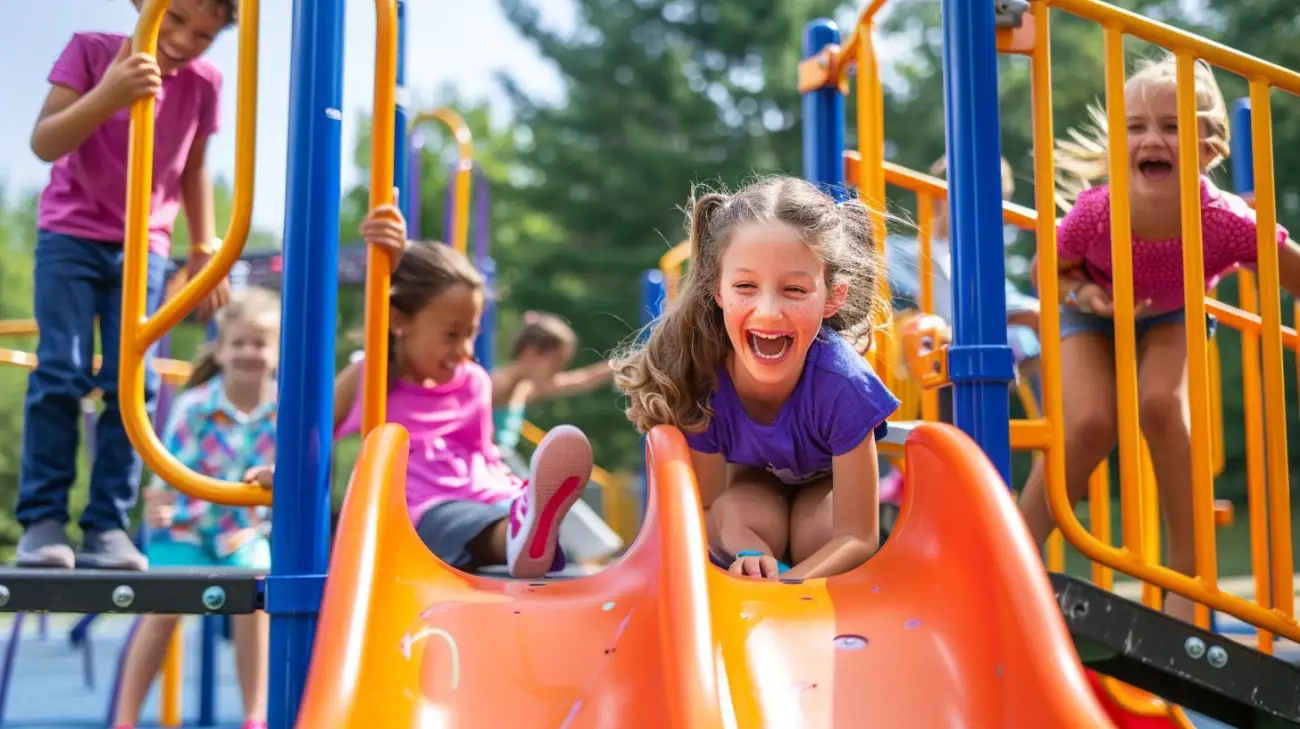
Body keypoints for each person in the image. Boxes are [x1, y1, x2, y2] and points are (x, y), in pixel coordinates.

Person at [1016, 54, 1300, 623]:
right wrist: (1090, 297)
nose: (1153, 138)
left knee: (1161, 403)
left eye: (1172, 127)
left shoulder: (1222, 221)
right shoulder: (1098, 212)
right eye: (1137, 126)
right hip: (1093, 311)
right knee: (1091, 422)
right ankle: (1014, 548)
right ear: (1120, 142)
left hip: (1173, 315)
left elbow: (1286, 267)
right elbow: (1049, 270)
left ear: (1208, 148)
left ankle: (1186, 579)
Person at [255, 206, 595, 578]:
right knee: (455, 523)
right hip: (416, 511)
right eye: (452, 334)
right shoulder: (372, 378)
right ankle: (519, 534)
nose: (465, 348)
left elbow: (482, 453)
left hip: (482, 494)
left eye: (471, 333)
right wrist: (281, 469)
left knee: (510, 516)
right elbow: (311, 434)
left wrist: (513, 489)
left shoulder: (474, 381)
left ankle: (529, 523)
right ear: (400, 321)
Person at [17, 0, 235, 571]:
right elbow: (45, 142)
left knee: (130, 384)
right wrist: (110, 94)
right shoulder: (91, 51)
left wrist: (205, 244)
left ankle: (106, 526)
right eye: (176, 18)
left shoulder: (203, 83)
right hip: (70, 232)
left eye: (205, 35)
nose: (186, 41)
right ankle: (42, 522)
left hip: (147, 246)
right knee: (60, 371)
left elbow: (192, 167)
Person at [614, 176, 901, 580]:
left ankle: (790, 564)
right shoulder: (703, 377)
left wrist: (791, 584)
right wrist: (747, 552)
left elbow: (857, 535)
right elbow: (708, 509)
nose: (767, 311)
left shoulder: (844, 385)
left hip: (825, 495)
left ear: (833, 296)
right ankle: (761, 560)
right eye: (745, 286)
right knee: (737, 512)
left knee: (818, 531)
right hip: (753, 495)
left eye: (795, 290)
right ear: (717, 289)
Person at [113, 286, 280, 729]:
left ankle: (254, 715)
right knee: (163, 609)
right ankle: (125, 718)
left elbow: (290, 478)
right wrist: (158, 508)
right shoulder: (194, 407)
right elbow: (167, 469)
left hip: (240, 534)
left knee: (258, 597)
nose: (249, 352)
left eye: (260, 343)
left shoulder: (285, 411)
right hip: (184, 530)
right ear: (221, 352)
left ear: (277, 353)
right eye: (239, 343)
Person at [490, 311, 614, 455]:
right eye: (556, 363)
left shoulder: (525, 389)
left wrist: (624, 365)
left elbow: (584, 379)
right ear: (530, 352)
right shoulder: (494, 386)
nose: (557, 372)